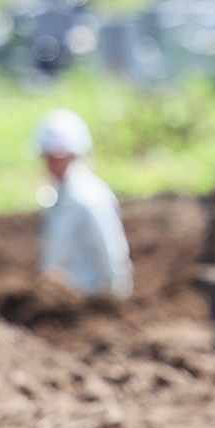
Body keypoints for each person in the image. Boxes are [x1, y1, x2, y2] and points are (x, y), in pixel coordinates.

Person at [35, 108, 133, 299]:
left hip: (90, 301)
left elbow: (111, 253)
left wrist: (116, 300)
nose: (48, 164)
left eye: (54, 158)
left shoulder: (89, 197)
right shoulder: (59, 196)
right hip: (64, 301)